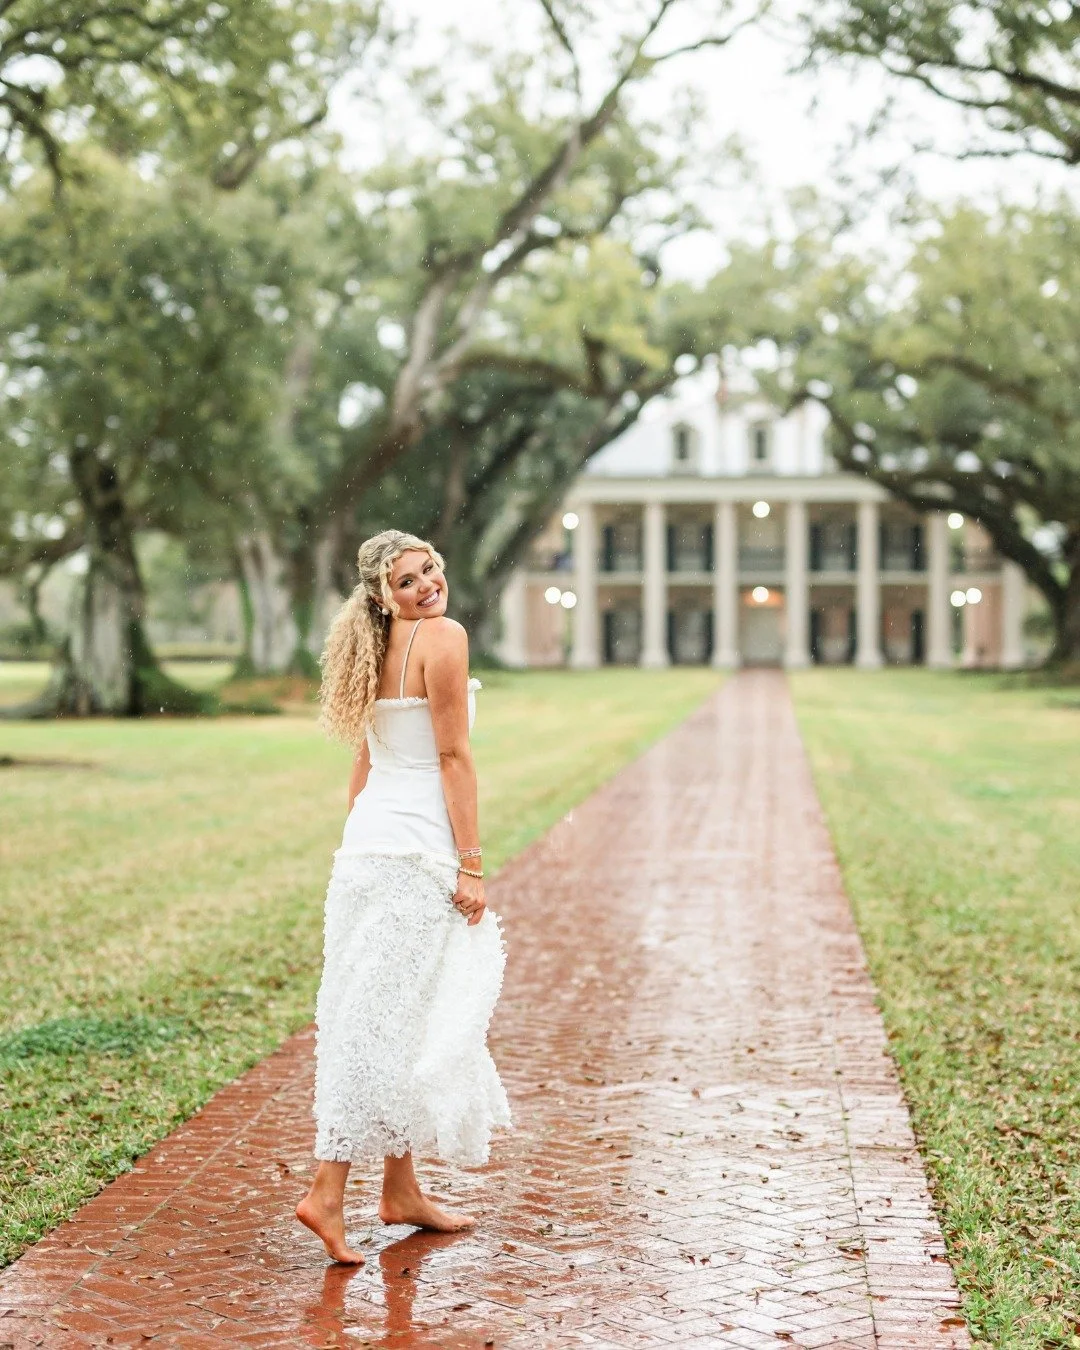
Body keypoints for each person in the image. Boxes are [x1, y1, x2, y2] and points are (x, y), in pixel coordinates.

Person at [295, 529, 510, 1264]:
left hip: (365, 852)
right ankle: (327, 1193)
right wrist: (471, 864)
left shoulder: (372, 649)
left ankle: (401, 1191)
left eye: (431, 571)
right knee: (385, 1027)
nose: (428, 587)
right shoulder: (442, 639)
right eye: (408, 581)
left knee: (386, 1017)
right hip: (416, 853)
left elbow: (365, 760)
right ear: (383, 596)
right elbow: (451, 757)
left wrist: (355, 844)